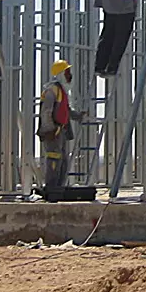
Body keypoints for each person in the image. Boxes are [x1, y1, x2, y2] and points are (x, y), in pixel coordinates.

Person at [38, 59, 85, 195]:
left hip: (61, 130)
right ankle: (51, 188)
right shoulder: (52, 91)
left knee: (63, 160)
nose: (70, 75)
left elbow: (66, 110)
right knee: (54, 158)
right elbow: (46, 112)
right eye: (67, 72)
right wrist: (50, 130)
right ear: (60, 74)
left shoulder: (62, 91)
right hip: (54, 131)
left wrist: (78, 116)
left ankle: (59, 188)